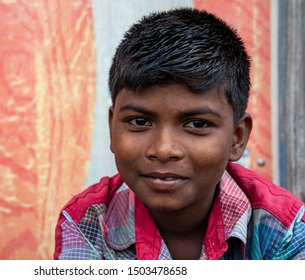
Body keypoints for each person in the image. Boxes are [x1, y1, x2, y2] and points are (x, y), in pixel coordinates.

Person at [53, 8, 305, 260]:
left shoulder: (284, 229)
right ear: (112, 128)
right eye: (139, 121)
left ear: (237, 137)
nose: (163, 149)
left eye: (196, 124)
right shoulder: (87, 224)